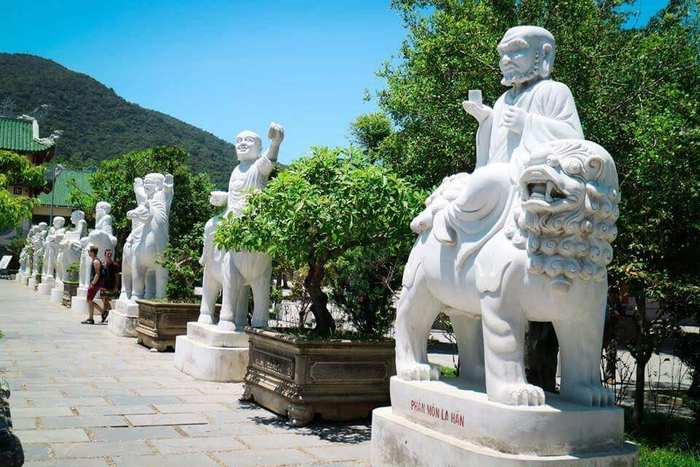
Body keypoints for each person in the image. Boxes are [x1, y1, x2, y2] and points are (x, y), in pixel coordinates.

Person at [603, 286, 626, 384]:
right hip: (600, 332)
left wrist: (616, 314)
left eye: (614, 294)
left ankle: (609, 376)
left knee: (611, 355)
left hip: (612, 332)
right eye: (611, 294)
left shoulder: (618, 305)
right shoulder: (603, 303)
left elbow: (624, 319)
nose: (612, 296)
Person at [81, 246, 104, 325]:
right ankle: (91, 318)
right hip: (94, 283)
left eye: (89, 251)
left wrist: (93, 284)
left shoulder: (96, 261)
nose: (88, 252)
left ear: (92, 252)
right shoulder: (94, 260)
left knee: (89, 300)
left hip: (95, 283)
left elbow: (97, 274)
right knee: (89, 300)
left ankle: (102, 312)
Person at [99, 248, 120, 323]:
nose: (109, 255)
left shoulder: (115, 265)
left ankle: (110, 313)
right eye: (108, 254)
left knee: (106, 301)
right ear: (105, 255)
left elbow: (117, 277)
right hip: (102, 285)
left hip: (110, 286)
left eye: (110, 254)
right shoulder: (102, 263)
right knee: (104, 301)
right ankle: (104, 317)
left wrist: (116, 287)